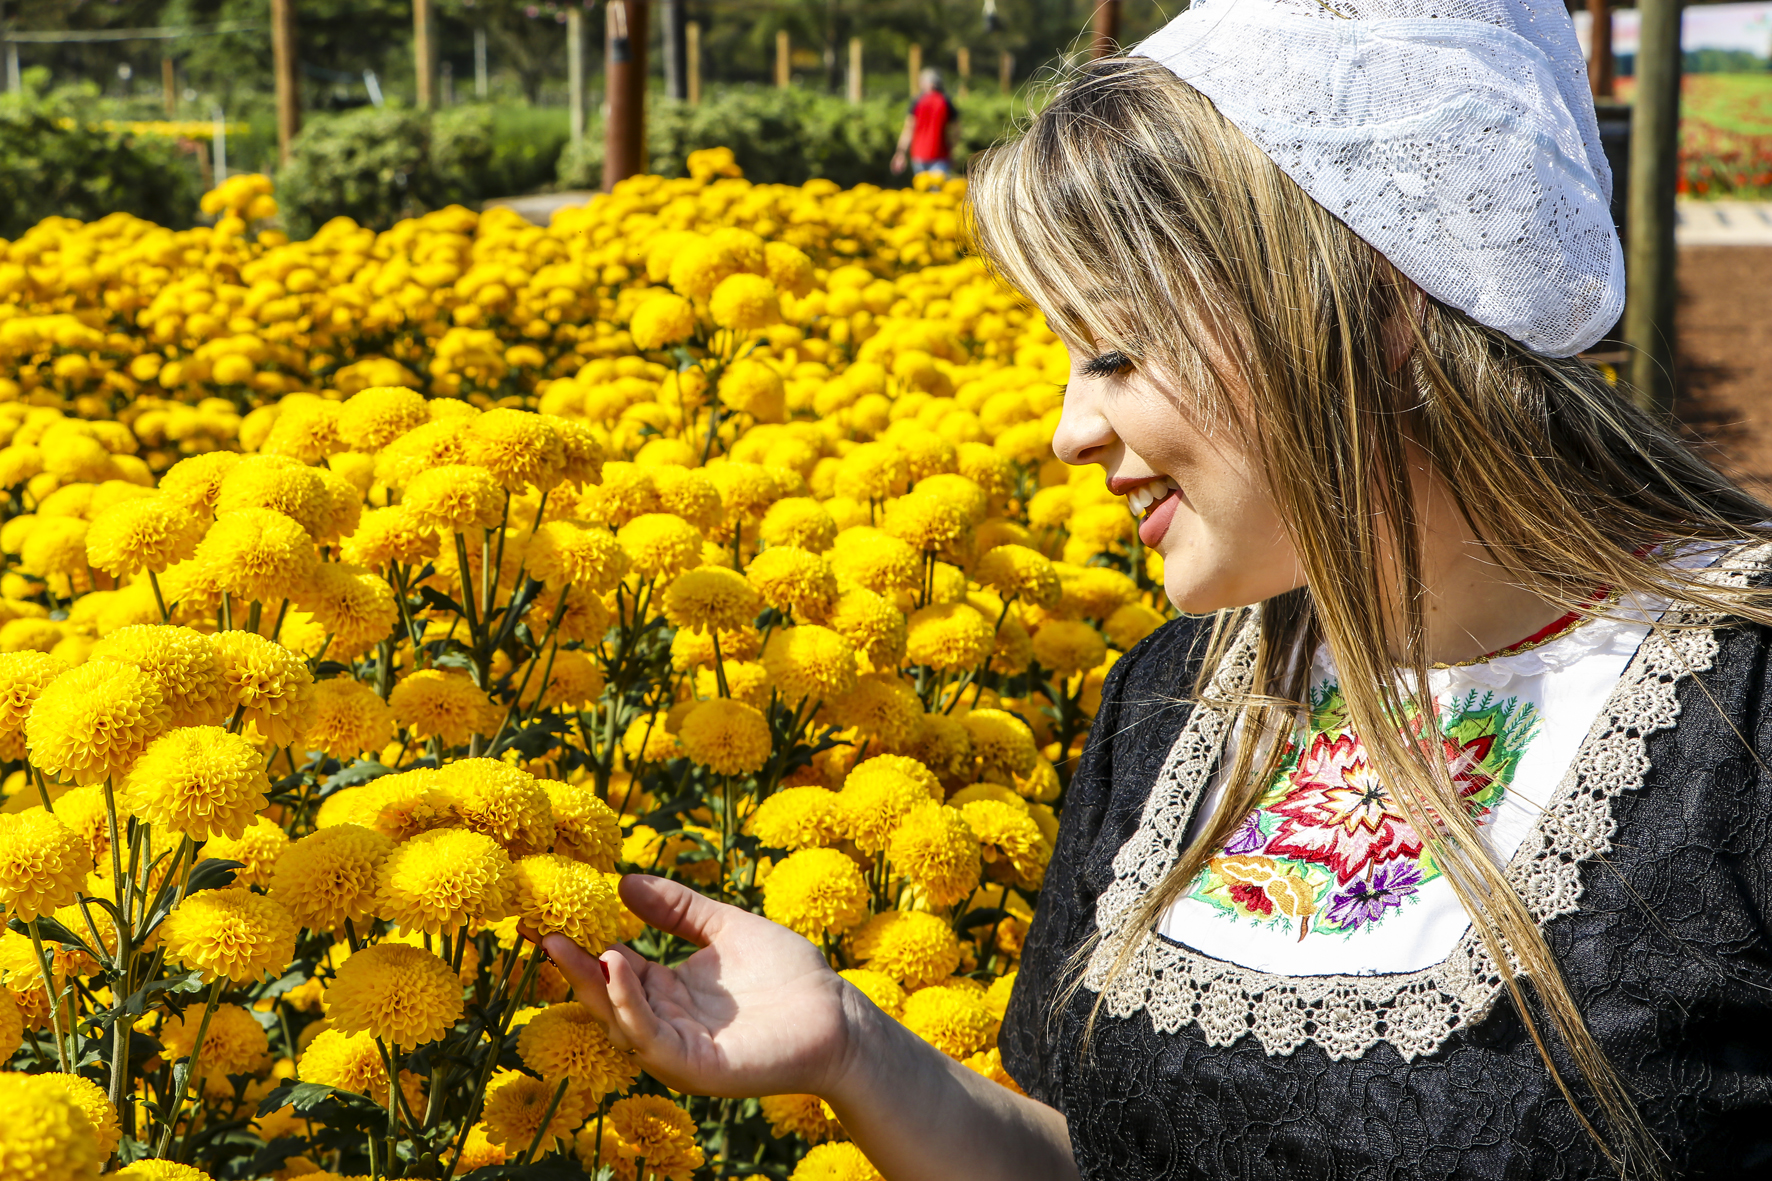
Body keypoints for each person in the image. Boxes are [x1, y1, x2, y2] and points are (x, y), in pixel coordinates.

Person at [539, 0, 1772, 1176]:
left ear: (1376, 300)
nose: (1068, 429)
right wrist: (851, 1048)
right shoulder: (1173, 699)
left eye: (1116, 349)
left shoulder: (1744, 708)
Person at [891, 67, 959, 179]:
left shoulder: (917, 101)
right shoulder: (946, 101)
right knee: (938, 192)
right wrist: (952, 149)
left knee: (922, 191)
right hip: (940, 154)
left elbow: (908, 129)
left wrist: (900, 152)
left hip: (918, 154)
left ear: (929, 83)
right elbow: (956, 130)